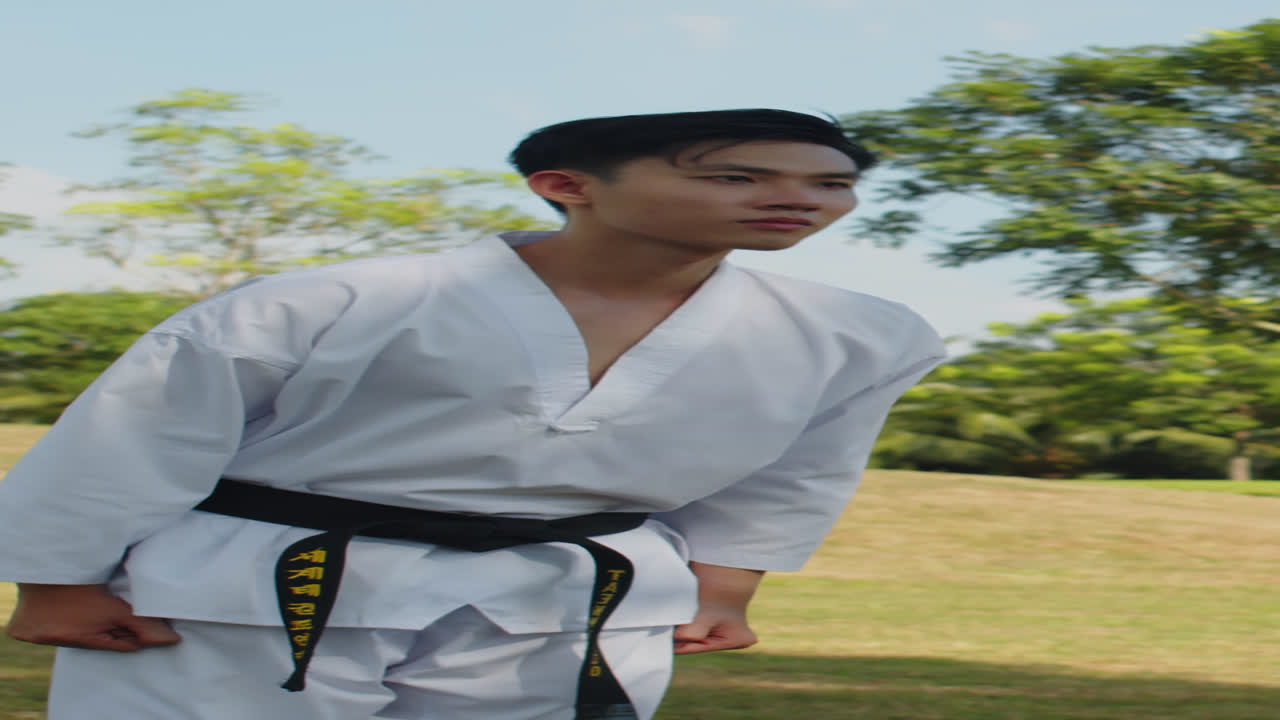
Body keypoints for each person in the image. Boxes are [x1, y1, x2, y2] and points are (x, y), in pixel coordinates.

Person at [0, 109, 945, 720]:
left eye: (829, 183)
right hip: (257, 588)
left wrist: (725, 586)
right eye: (736, 177)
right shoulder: (339, 301)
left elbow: (800, 471)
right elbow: (141, 434)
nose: (796, 199)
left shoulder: (859, 333)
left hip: (564, 598)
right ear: (566, 186)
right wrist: (54, 582)